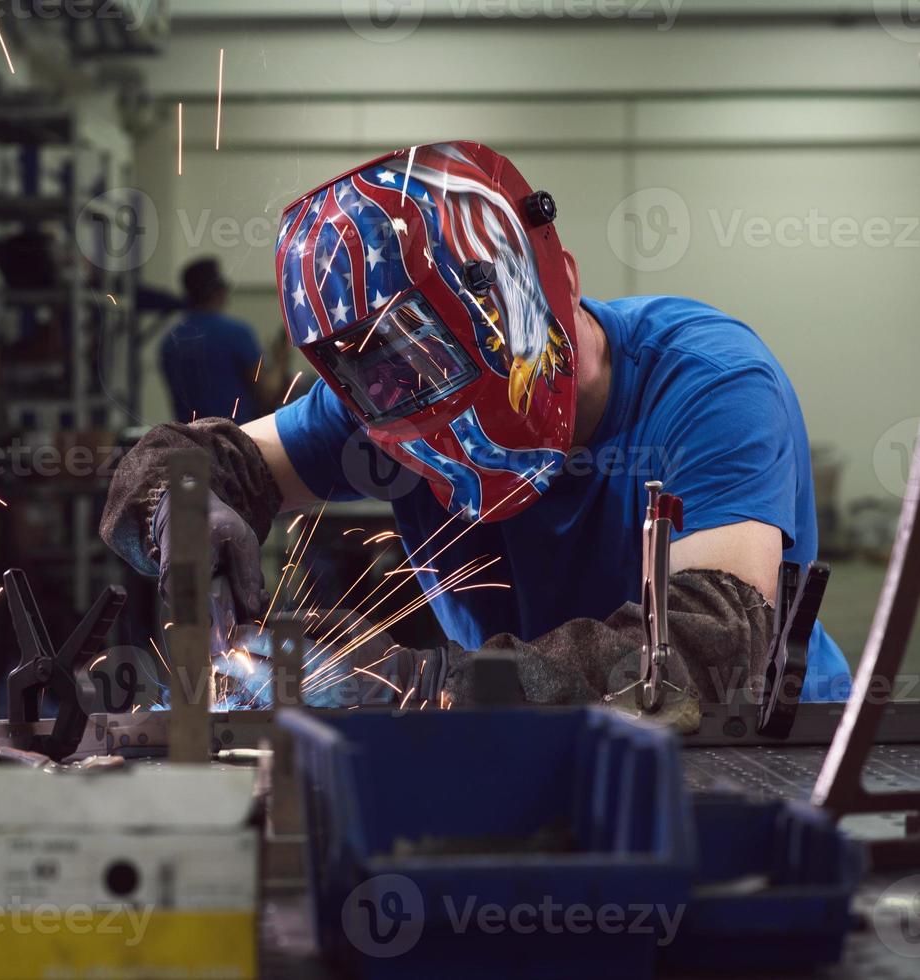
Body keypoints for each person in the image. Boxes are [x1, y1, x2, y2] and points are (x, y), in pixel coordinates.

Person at [101, 141, 850, 718]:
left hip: (756, 752)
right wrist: (178, 508)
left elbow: (707, 655)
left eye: (441, 361)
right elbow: (200, 460)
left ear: (534, 288)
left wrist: (421, 686)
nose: (425, 398)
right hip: (519, 743)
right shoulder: (389, 396)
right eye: (396, 378)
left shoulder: (709, 384)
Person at [159, 257, 283, 423]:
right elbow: (267, 394)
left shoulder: (169, 342)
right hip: (234, 441)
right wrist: (281, 361)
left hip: (188, 441)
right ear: (219, 291)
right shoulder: (236, 333)